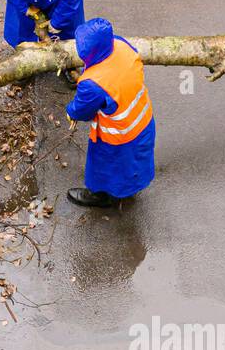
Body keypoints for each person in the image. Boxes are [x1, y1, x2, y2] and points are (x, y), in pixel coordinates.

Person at [64, 17, 156, 209]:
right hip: (143, 119)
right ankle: (129, 189)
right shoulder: (121, 45)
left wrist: (71, 111)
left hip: (118, 135)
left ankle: (101, 196)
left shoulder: (92, 83)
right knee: (134, 161)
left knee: (106, 166)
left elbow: (83, 110)